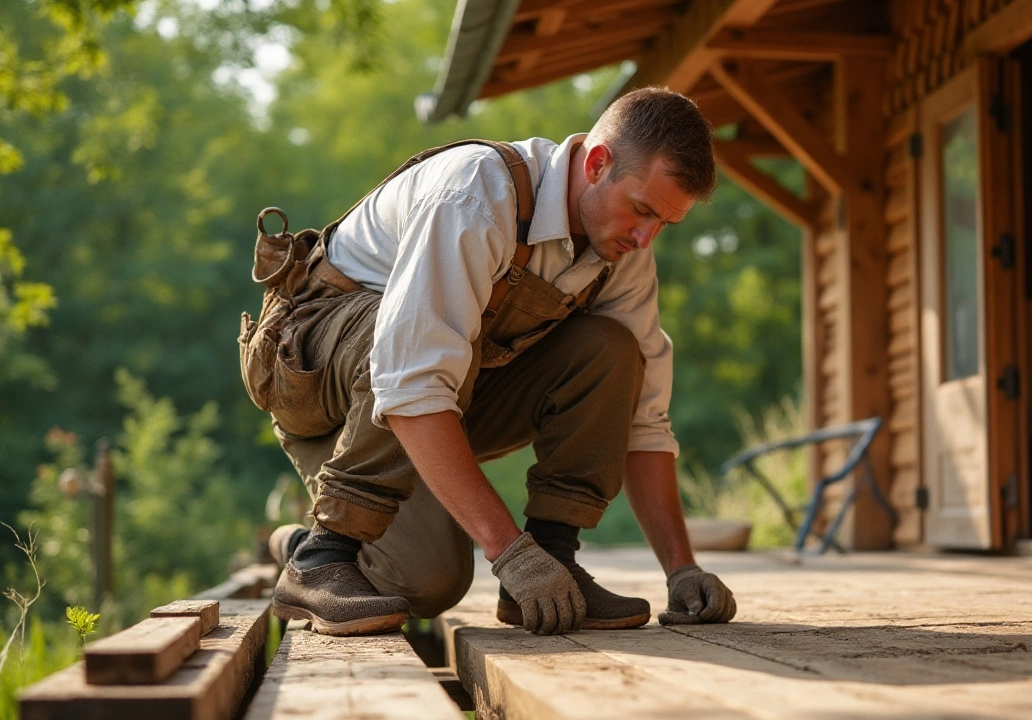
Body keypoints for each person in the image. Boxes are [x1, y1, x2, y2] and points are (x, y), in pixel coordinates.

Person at [238, 87, 737, 637]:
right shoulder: (475, 196)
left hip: (434, 398)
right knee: (431, 580)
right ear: (597, 164)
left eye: (666, 224)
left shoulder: (620, 252)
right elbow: (412, 380)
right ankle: (318, 553)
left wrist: (681, 569)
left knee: (611, 349)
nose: (646, 239)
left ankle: (557, 560)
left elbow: (644, 420)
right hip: (321, 388)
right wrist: (509, 553)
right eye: (642, 211)